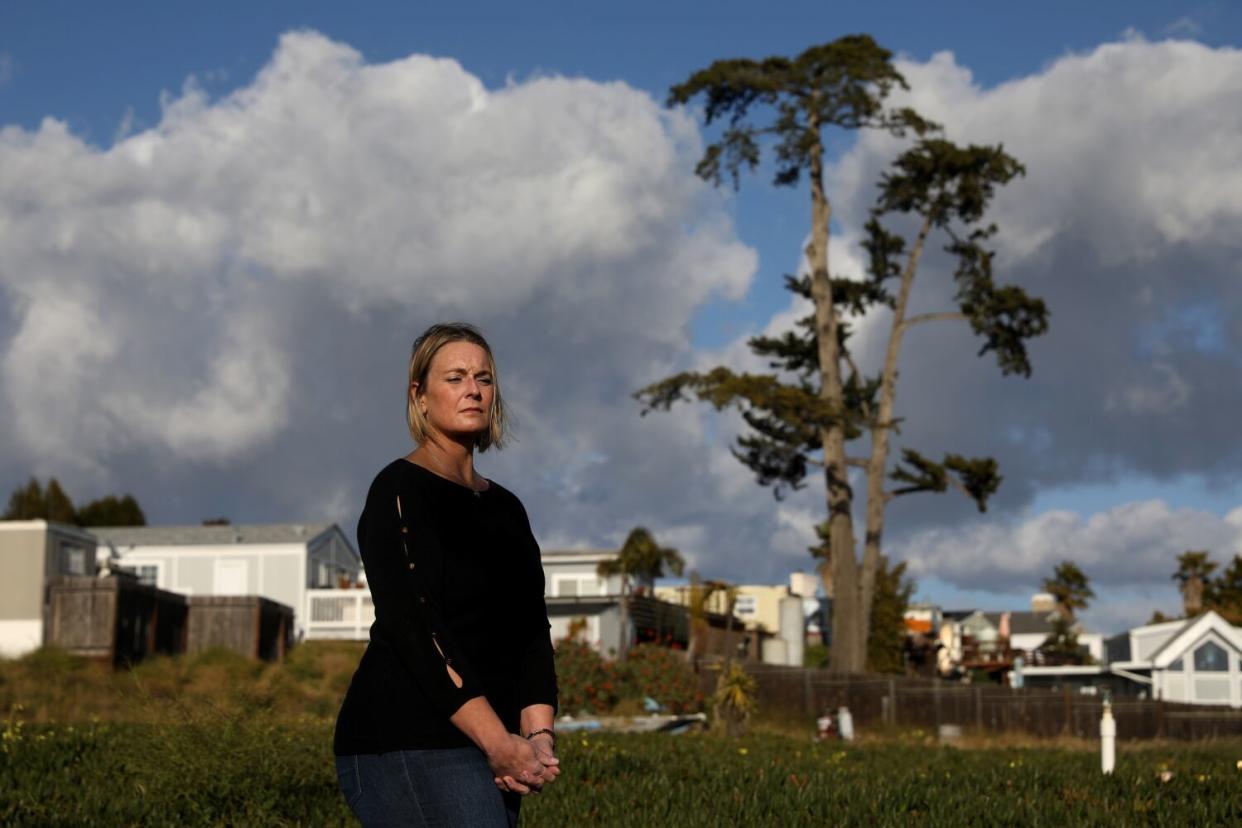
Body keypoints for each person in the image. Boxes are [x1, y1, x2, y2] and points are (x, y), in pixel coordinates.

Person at [334, 322, 560, 827]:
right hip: (408, 740)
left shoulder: (507, 508)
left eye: (484, 378)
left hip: (494, 744)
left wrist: (538, 736)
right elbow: (416, 627)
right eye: (455, 378)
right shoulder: (398, 490)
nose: (474, 390)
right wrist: (497, 740)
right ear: (420, 394)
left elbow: (531, 627)